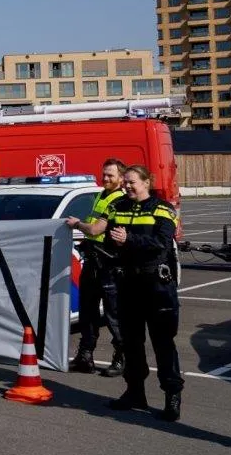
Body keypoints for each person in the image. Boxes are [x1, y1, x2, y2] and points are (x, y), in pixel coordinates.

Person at [103, 165, 182, 421]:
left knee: (163, 342)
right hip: (128, 283)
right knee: (131, 343)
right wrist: (114, 242)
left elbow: (162, 243)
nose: (127, 186)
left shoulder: (162, 208)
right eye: (125, 182)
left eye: (132, 182)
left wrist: (129, 240)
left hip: (156, 284)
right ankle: (135, 392)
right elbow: (109, 240)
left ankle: (172, 395)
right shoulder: (118, 207)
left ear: (147, 182)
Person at [66, 158, 128, 376]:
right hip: (93, 262)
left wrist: (76, 224)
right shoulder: (102, 195)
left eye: (111, 175)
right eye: (104, 174)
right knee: (88, 312)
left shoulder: (119, 200)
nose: (106, 178)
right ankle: (85, 356)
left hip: (110, 265)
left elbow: (94, 230)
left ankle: (121, 358)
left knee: (113, 315)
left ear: (121, 178)